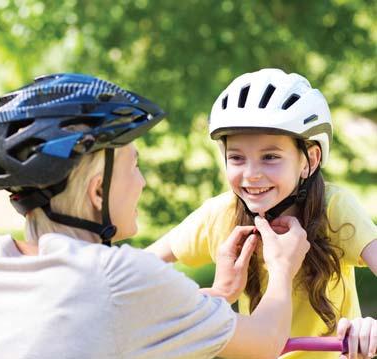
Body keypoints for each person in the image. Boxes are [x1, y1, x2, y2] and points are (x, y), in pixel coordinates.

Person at [0, 73, 310, 359]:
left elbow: (113, 319)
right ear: (98, 190)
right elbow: (265, 341)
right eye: (134, 166)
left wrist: (223, 292)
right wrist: (281, 267)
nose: (143, 182)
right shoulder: (118, 275)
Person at [147, 68, 377, 359]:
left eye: (270, 157)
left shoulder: (334, 209)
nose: (252, 175)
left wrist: (367, 329)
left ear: (310, 160)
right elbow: (140, 268)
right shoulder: (224, 214)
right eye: (237, 158)